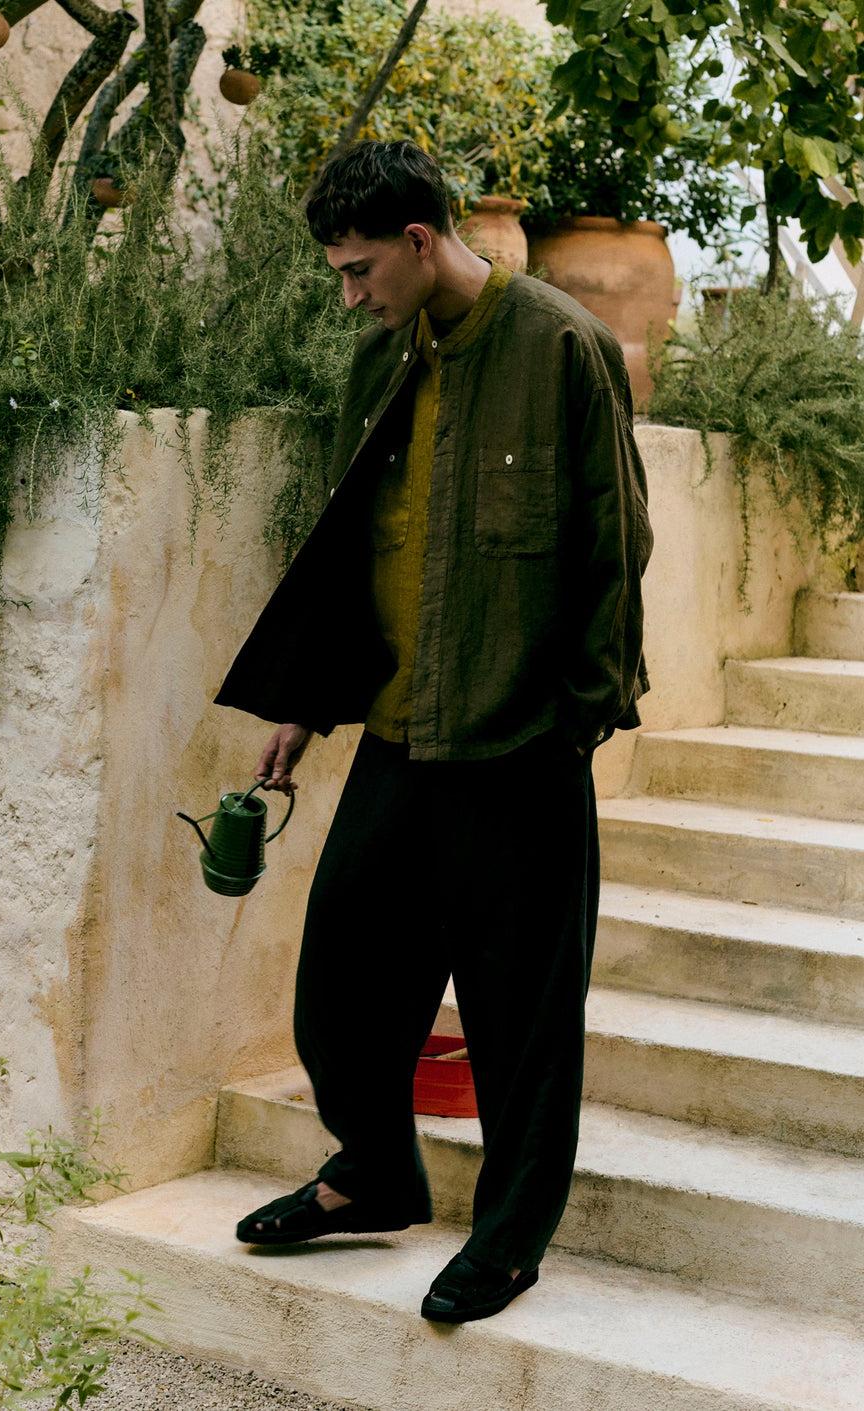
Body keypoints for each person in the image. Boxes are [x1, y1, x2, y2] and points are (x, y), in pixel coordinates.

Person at [212, 138, 653, 1323]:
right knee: (338, 985)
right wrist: (307, 704)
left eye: (358, 270)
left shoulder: (560, 345)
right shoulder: (384, 361)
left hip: (522, 738)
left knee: (520, 1018)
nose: (348, 296)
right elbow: (358, 547)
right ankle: (374, 1172)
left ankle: (508, 1240)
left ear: (418, 240)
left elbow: (615, 543)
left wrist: (579, 718)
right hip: (402, 729)